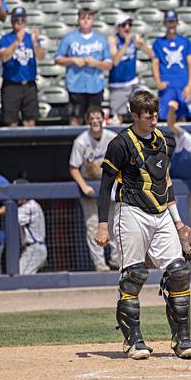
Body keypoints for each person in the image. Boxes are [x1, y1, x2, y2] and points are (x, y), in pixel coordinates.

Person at [94, 90, 191, 360]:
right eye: (148, 117)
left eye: (156, 116)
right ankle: (133, 341)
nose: (154, 121)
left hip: (162, 212)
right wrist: (102, 224)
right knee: (134, 274)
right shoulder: (120, 144)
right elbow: (105, 187)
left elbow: (166, 181)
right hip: (131, 212)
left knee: (179, 270)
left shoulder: (166, 140)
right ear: (135, 116)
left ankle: (182, 338)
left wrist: (179, 222)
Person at [69, 106, 118, 272]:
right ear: (87, 120)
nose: (95, 121)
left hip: (110, 186)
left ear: (103, 119)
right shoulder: (81, 141)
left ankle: (116, 260)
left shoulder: (113, 137)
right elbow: (73, 167)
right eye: (92, 118)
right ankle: (100, 264)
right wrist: (84, 186)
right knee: (93, 226)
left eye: (98, 118)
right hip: (90, 186)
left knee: (114, 224)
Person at [55, 9, 112, 126]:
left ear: (93, 20)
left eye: (88, 18)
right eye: (83, 18)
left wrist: (96, 63)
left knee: (94, 120)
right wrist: (72, 60)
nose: (85, 21)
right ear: (78, 20)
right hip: (75, 86)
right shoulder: (69, 38)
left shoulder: (100, 39)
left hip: (95, 86)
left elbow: (109, 64)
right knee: (75, 119)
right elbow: (57, 59)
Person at [0, 7, 44, 127]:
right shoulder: (6, 39)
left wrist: (35, 43)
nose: (19, 23)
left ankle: (30, 145)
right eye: (16, 20)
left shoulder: (31, 38)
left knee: (30, 121)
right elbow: (4, 57)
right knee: (11, 122)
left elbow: (41, 57)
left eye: (22, 20)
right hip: (12, 84)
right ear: (12, 21)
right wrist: (16, 42)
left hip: (29, 84)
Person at [152, 10, 191, 123]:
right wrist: (158, 82)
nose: (171, 24)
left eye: (173, 21)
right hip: (167, 86)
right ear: (165, 24)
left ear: (177, 23)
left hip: (182, 84)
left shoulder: (185, 42)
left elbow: (190, 64)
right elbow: (155, 63)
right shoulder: (158, 43)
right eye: (168, 22)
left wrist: (190, 85)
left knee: (183, 117)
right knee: (165, 117)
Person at [108, 14, 153, 125]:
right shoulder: (113, 39)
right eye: (123, 25)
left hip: (132, 83)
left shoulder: (134, 38)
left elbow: (152, 55)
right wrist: (126, 44)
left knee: (143, 110)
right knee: (117, 119)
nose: (127, 27)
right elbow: (115, 61)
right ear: (118, 27)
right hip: (117, 84)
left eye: (129, 25)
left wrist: (142, 45)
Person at [15, 177, 46, 275]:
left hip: (34, 248)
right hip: (34, 248)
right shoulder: (32, 204)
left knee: (20, 276)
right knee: (26, 278)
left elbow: (13, 220)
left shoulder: (28, 206)